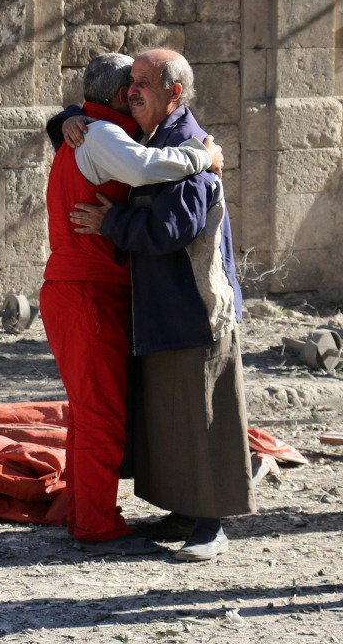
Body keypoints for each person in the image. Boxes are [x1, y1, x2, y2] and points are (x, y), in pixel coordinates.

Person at [70, 49, 254, 563]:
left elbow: (173, 228)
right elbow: (92, 124)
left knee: (203, 414)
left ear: (175, 92)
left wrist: (112, 224)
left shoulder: (190, 147)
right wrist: (69, 120)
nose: (133, 90)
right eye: (130, 82)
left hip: (197, 306)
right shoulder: (150, 141)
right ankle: (183, 508)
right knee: (170, 414)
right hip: (160, 308)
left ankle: (211, 523)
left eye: (145, 82)